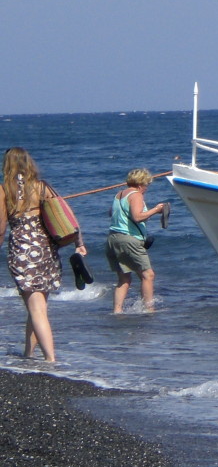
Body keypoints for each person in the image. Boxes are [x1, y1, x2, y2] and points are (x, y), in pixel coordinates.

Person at [0, 147, 87, 361]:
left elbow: (1, 228)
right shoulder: (42, 187)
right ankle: (29, 354)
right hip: (45, 248)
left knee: (36, 307)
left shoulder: (4, 190)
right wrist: (79, 243)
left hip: (21, 250)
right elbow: (65, 215)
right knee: (37, 305)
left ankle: (50, 358)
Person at [105, 168, 167, 313]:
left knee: (124, 278)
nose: (146, 189)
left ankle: (117, 311)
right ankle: (149, 309)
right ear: (141, 184)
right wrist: (156, 210)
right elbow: (137, 217)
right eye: (147, 185)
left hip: (113, 238)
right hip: (128, 239)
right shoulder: (136, 195)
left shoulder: (119, 195)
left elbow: (111, 212)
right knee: (148, 275)